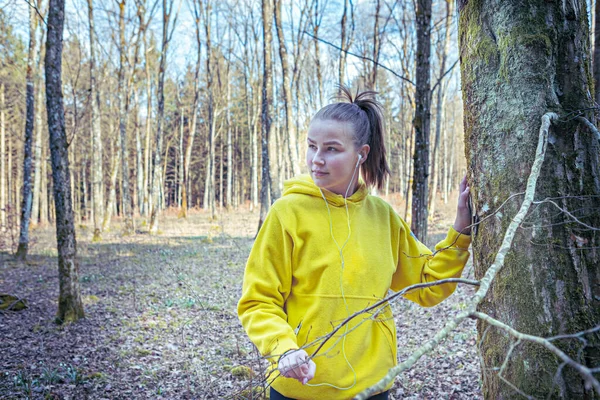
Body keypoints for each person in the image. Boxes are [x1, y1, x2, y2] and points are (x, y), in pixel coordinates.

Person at [237, 87, 472, 400]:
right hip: (299, 387)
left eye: (331, 149)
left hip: (371, 386)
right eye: (311, 147)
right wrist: (283, 349)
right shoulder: (287, 213)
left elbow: (427, 284)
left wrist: (461, 230)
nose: (316, 160)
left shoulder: (383, 217)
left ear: (361, 153)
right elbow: (258, 301)